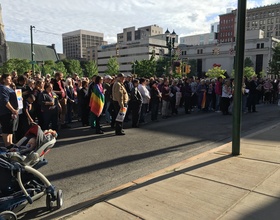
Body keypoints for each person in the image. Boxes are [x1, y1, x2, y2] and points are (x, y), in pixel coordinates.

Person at [0, 73, 19, 147]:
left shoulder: (9, 87)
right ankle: (7, 144)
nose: (10, 79)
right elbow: (5, 101)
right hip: (6, 112)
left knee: (10, 129)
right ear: (4, 80)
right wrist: (13, 109)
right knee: (6, 129)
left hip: (12, 113)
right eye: (8, 78)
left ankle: (10, 143)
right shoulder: (2, 88)